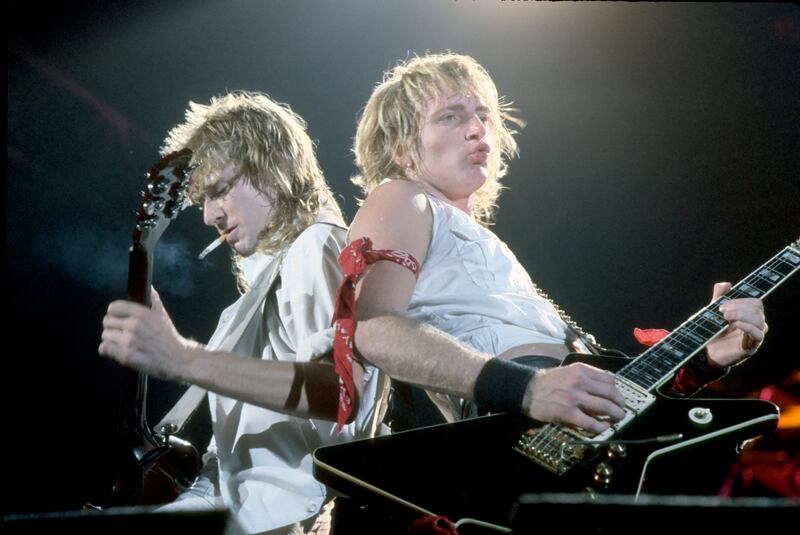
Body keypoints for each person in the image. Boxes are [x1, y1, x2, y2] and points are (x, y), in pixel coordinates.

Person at [333, 52, 768, 437]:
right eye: (450, 116)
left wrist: (704, 361)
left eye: (483, 115)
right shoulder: (403, 196)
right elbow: (375, 329)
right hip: (514, 413)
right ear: (401, 149)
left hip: (568, 414)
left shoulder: (479, 241)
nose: (477, 129)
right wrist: (527, 388)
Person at [99, 91, 387, 535]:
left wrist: (181, 357)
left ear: (271, 168)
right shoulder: (257, 293)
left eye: (221, 190)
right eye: (203, 202)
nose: (211, 214)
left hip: (281, 518)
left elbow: (342, 401)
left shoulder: (315, 246)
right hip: (240, 509)